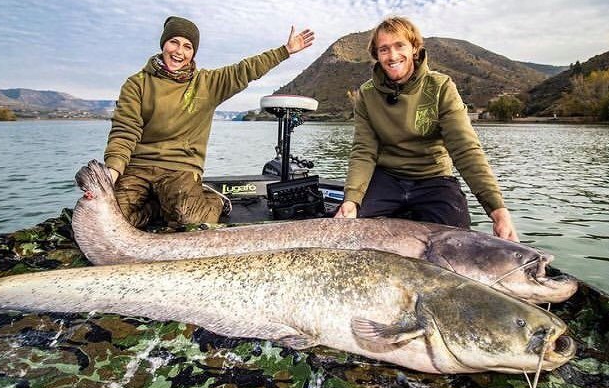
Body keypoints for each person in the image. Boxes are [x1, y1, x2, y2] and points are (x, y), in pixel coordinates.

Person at [104, 16, 315, 228]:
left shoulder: (207, 84)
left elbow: (246, 69)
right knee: (110, 219)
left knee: (190, 222)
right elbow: (125, 131)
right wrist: (111, 173)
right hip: (138, 166)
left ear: (193, 52)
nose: (179, 51)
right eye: (174, 42)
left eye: (187, 46)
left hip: (180, 168)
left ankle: (215, 200)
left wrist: (285, 50)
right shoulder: (136, 84)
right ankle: (157, 206)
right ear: (163, 44)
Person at [334, 16, 519, 242]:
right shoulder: (367, 93)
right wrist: (351, 200)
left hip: (433, 178)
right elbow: (364, 151)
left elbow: (465, 149)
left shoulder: (441, 86)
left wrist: (497, 210)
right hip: (387, 178)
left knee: (457, 241)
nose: (392, 56)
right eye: (384, 49)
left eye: (399, 45)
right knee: (353, 233)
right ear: (376, 55)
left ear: (414, 48)